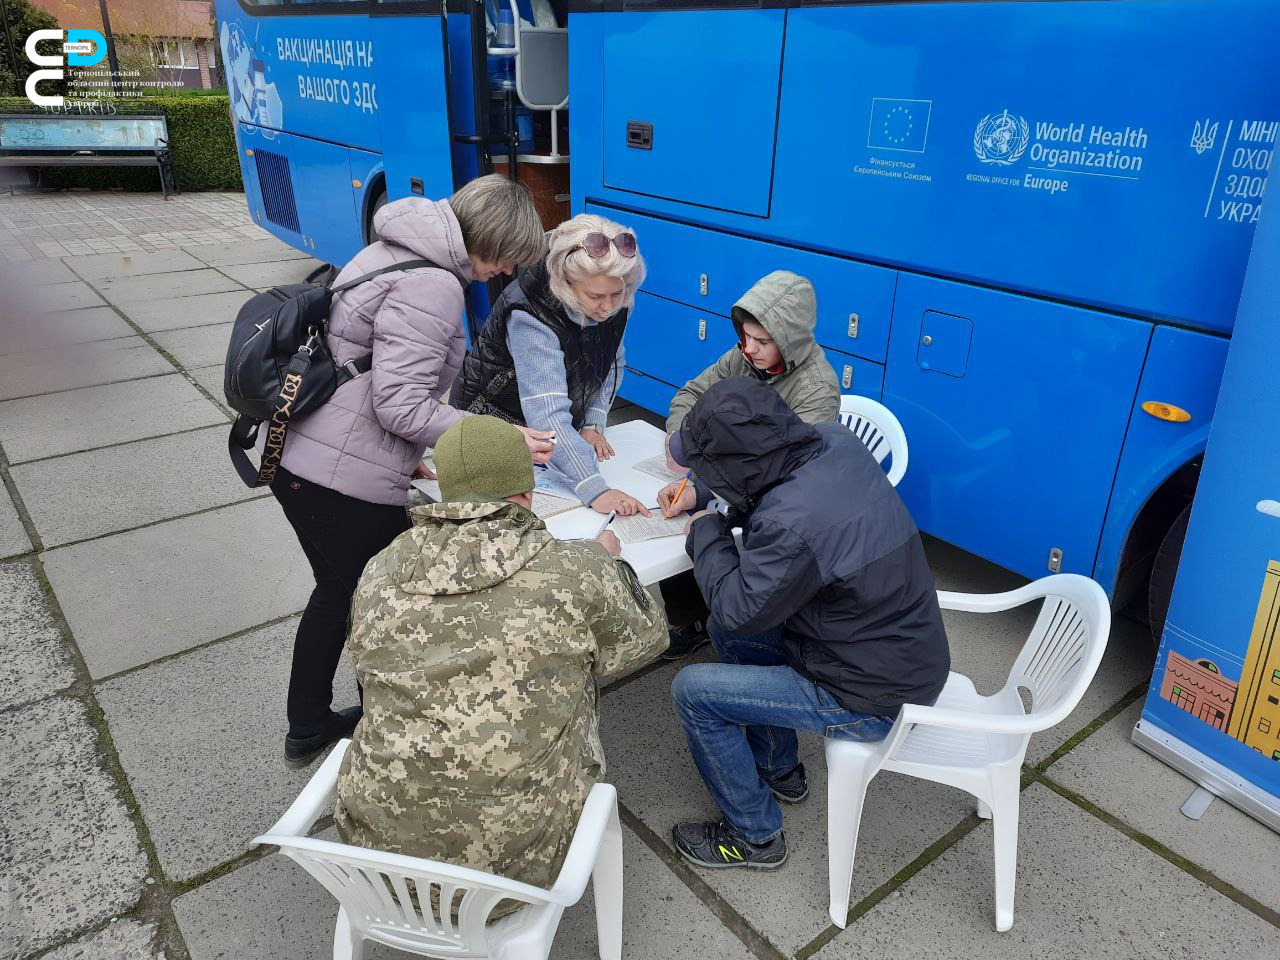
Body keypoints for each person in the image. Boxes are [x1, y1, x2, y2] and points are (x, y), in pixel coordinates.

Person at [269, 175, 554, 767]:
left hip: (303, 457)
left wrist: (412, 453)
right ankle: (397, 729)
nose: (504, 271)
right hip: (342, 477)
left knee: (338, 589)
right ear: (492, 239)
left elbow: (371, 370)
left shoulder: (394, 246)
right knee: (398, 604)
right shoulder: (435, 283)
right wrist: (498, 437)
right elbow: (398, 403)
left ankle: (308, 723)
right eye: (507, 258)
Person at [335, 416, 669, 918]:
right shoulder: (572, 570)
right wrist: (608, 565)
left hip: (376, 864)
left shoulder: (381, 567)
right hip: (519, 866)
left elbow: (363, 656)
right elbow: (645, 640)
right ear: (527, 492)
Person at [655, 377, 950, 870]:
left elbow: (734, 606)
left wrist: (706, 529)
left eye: (707, 464)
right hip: (892, 649)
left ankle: (754, 836)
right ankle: (779, 768)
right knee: (732, 636)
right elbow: (766, 477)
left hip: (872, 695)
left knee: (694, 690)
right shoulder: (836, 441)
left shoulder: (790, 522)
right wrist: (703, 491)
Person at [661, 270, 842, 660]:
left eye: (762, 340)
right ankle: (691, 619)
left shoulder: (816, 390)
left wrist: (705, 490)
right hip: (731, 476)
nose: (750, 348)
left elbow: (782, 475)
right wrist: (679, 437)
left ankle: (736, 629)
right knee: (675, 517)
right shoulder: (742, 357)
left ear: (790, 341)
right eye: (745, 336)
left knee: (700, 520)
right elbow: (691, 393)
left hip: (776, 500)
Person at [450, 213, 650, 516]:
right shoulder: (530, 315)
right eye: (596, 296)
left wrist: (593, 423)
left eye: (616, 293)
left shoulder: (619, 301)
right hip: (492, 421)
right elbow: (546, 415)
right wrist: (595, 488)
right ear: (566, 284)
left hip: (545, 432)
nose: (609, 306)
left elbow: (611, 362)